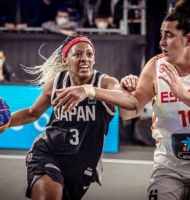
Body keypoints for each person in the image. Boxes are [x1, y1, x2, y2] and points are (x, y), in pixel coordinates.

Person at [8, 35, 138, 200]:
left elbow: (131, 102)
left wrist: (88, 91)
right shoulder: (56, 83)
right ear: (65, 60)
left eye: (89, 54)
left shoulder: (104, 83)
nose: (84, 59)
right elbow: (32, 113)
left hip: (82, 164)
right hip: (48, 152)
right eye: (77, 54)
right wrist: (5, 122)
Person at [119, 0, 190, 199]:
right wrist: (125, 95)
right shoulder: (155, 66)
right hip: (169, 168)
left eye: (169, 35)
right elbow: (129, 113)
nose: (161, 41)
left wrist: (181, 94)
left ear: (188, 39)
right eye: (162, 34)